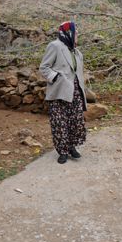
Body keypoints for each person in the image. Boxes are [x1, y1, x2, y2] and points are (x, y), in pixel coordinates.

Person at [40, 21, 88, 164]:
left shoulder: (77, 53)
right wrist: (56, 77)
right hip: (60, 90)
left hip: (76, 92)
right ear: (69, 32)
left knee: (75, 121)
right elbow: (44, 68)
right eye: (76, 33)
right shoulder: (55, 46)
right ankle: (62, 151)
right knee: (59, 122)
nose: (78, 35)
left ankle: (72, 147)